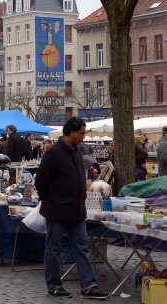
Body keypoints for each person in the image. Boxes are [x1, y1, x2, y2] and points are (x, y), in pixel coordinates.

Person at [35, 117, 108, 300]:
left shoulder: (76, 151)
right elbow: (41, 180)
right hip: (57, 209)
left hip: (76, 210)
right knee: (54, 248)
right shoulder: (54, 153)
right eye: (81, 133)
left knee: (82, 247)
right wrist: (48, 199)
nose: (83, 137)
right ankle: (54, 285)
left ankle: (89, 285)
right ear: (72, 132)